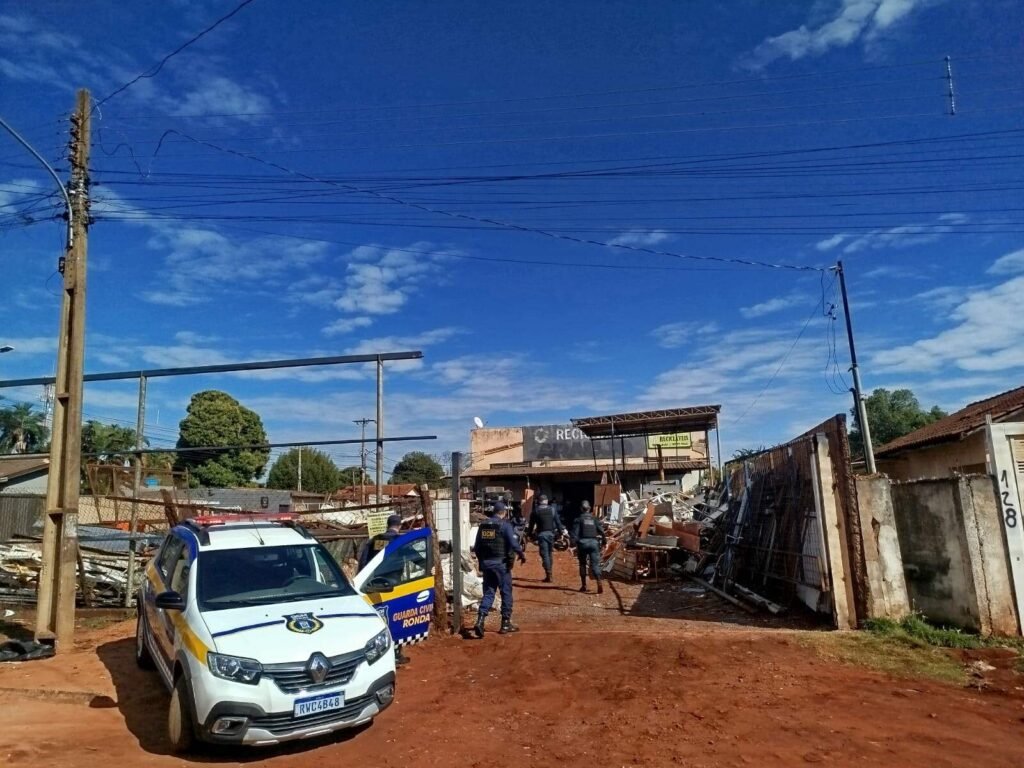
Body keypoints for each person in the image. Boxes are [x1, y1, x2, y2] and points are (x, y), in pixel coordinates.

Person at [357, 514, 411, 666]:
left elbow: (364, 562)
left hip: (375, 584)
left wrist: (361, 582)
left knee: (379, 617)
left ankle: (378, 652)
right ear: (399, 526)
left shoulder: (376, 540)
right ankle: (396, 653)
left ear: (387, 525)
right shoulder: (400, 541)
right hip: (395, 585)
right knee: (396, 617)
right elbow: (413, 559)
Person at [472, 501, 526, 637]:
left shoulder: (483, 525)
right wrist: (521, 554)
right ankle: (506, 623)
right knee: (506, 592)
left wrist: (481, 562)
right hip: (500, 565)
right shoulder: (505, 525)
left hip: (486, 564)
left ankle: (480, 620)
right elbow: (513, 543)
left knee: (489, 592)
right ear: (503, 512)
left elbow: (477, 546)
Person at [527, 494, 566, 583]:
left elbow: (531, 526)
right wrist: (561, 533)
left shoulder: (535, 511)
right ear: (547, 501)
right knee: (549, 554)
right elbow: (558, 522)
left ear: (538, 502)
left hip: (542, 535)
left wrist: (529, 535)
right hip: (551, 535)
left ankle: (549, 574)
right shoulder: (552, 510)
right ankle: (549, 573)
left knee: (544, 555)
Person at [571, 501, 606, 594]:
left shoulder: (578, 520)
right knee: (595, 564)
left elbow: (575, 534)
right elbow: (602, 531)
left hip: (582, 544)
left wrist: (573, 544)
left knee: (582, 564)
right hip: (594, 543)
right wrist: (604, 541)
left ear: (581, 509)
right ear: (589, 508)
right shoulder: (594, 519)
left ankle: (584, 585)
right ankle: (598, 581)